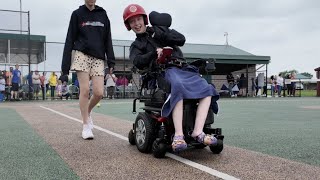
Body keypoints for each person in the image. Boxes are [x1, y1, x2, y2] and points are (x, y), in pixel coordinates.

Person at [123, 4, 219, 152]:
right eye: (132, 21)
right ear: (129, 25)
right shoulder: (136, 45)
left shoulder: (159, 30)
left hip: (183, 69)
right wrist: (155, 54)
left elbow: (181, 39)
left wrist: (159, 34)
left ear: (144, 19)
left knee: (207, 89)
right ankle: (179, 135)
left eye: (138, 19)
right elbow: (137, 61)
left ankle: (198, 132)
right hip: (162, 72)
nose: (136, 23)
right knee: (178, 86)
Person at [62, 0, 115, 139]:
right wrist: (65, 69)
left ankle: (88, 111)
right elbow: (69, 39)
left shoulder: (103, 14)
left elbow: (107, 39)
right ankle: (85, 125)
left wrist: (111, 61)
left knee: (98, 93)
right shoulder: (77, 14)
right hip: (81, 55)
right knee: (84, 90)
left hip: (98, 57)